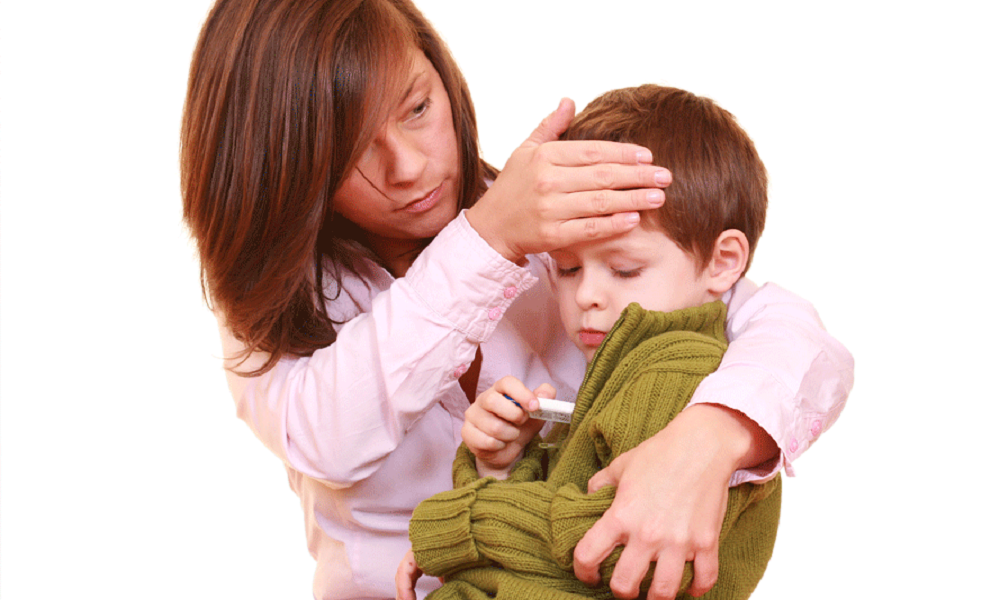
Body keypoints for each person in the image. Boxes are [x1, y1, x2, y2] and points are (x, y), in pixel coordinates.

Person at [179, 1, 854, 599]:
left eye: (417, 109)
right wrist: (489, 240)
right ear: (283, 163)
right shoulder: (270, 299)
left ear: (443, 78)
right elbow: (329, 436)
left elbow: (781, 328)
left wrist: (711, 437)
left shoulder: (568, 223)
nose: (407, 167)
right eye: (350, 147)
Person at [400, 84, 787, 600]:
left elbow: (606, 550)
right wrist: (504, 466)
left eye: (624, 269)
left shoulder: (676, 372)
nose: (587, 295)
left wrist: (455, 527)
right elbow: (560, 528)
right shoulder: (621, 370)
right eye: (567, 268)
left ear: (723, 262)